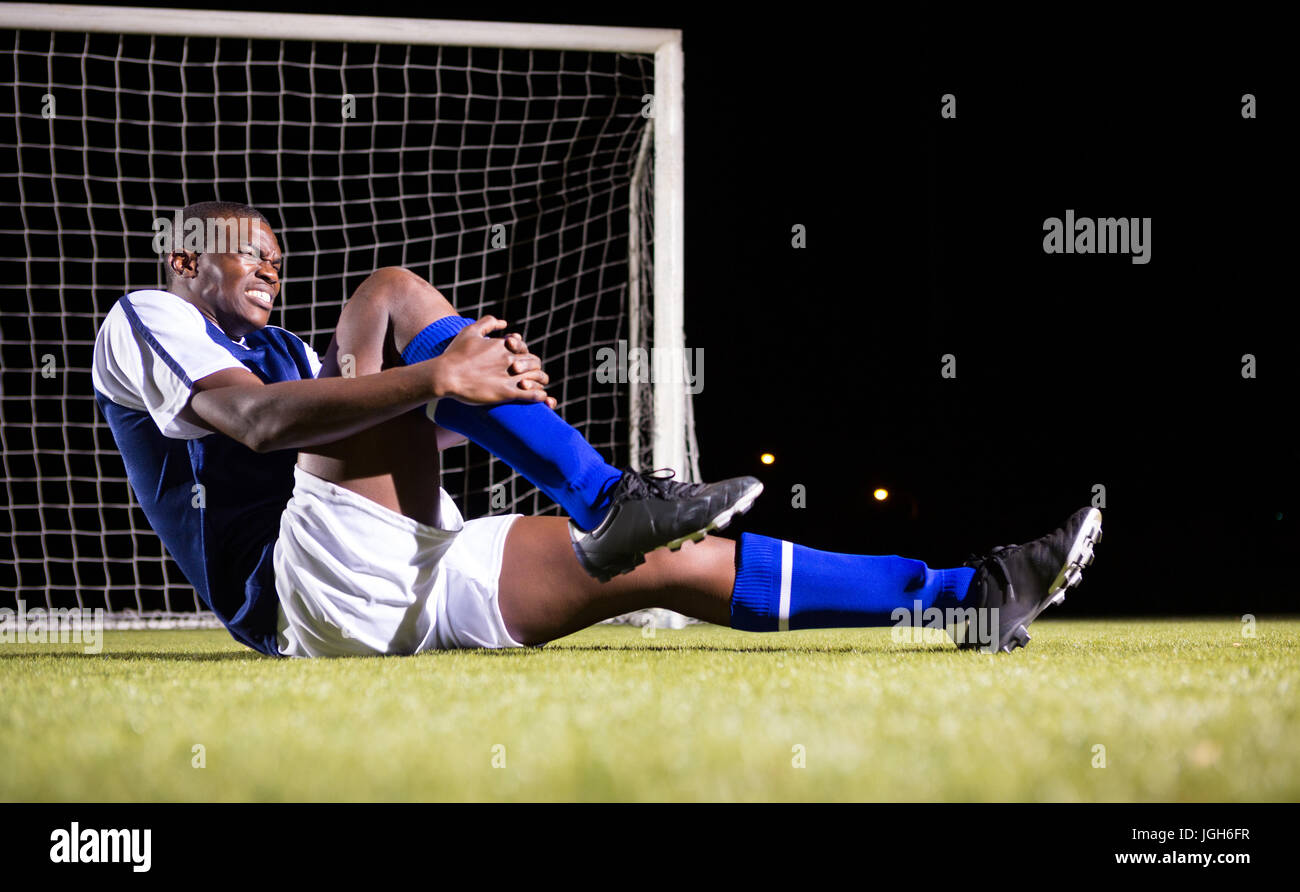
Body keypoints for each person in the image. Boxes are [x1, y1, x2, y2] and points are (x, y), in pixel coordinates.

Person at [92, 201, 1101, 658]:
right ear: (186, 259)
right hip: (297, 596)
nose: (271, 271)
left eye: (277, 259)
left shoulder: (298, 362)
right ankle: (608, 494)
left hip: (400, 575)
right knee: (391, 294)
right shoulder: (148, 317)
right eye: (248, 257)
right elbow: (259, 425)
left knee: (671, 565)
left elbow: (357, 438)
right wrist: (440, 372)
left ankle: (971, 596)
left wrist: (465, 400)